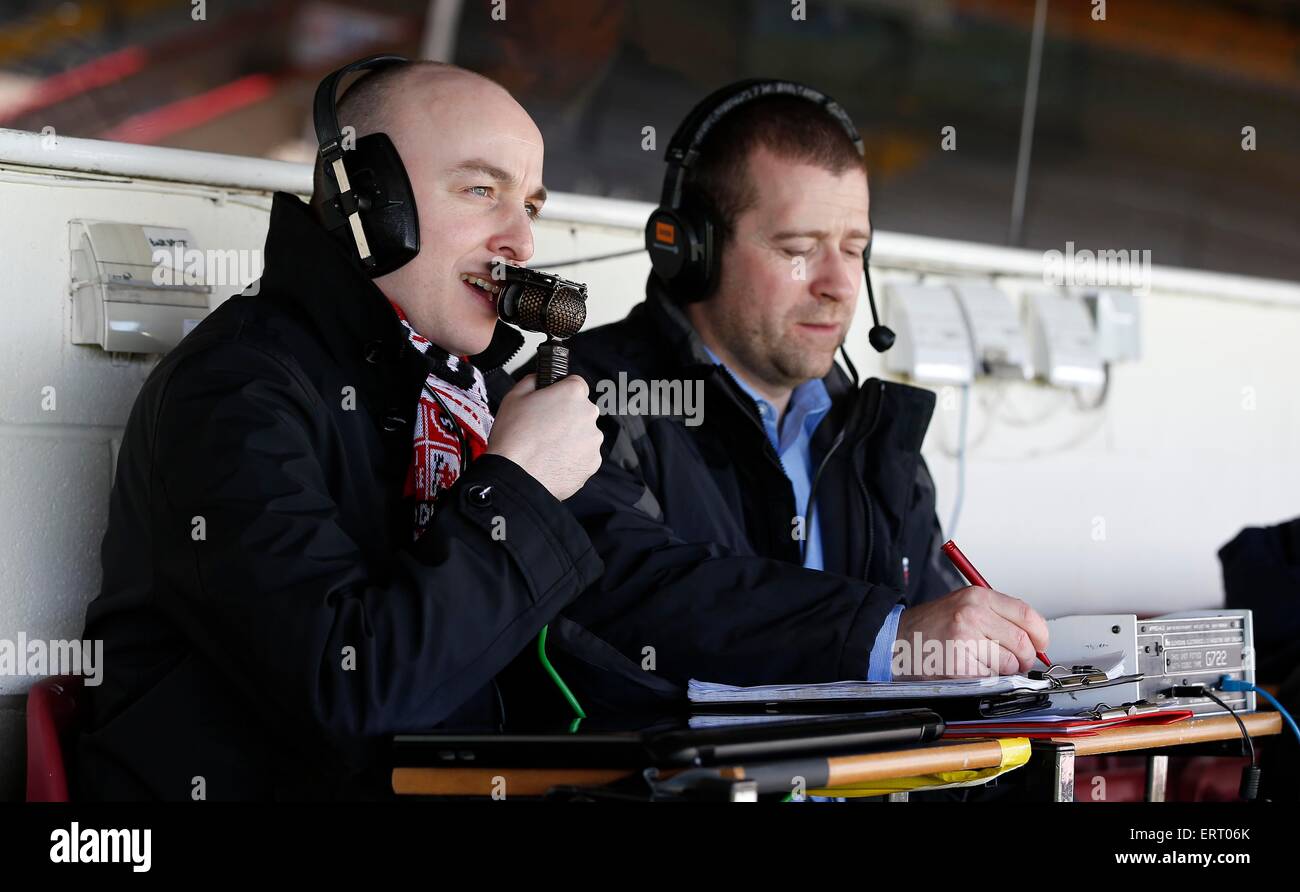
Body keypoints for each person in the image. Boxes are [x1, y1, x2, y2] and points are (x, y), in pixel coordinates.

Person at [77, 58, 603, 800]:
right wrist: (516, 488)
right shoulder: (233, 391)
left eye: (532, 206)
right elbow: (349, 691)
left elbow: (637, 582)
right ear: (371, 201)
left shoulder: (472, 389)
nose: (519, 239)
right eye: (481, 191)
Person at [505, 81, 1049, 719]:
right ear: (690, 251)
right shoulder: (582, 394)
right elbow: (634, 588)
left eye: (855, 249)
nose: (839, 285)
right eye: (798, 249)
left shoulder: (872, 436)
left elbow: (938, 672)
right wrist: (888, 637)